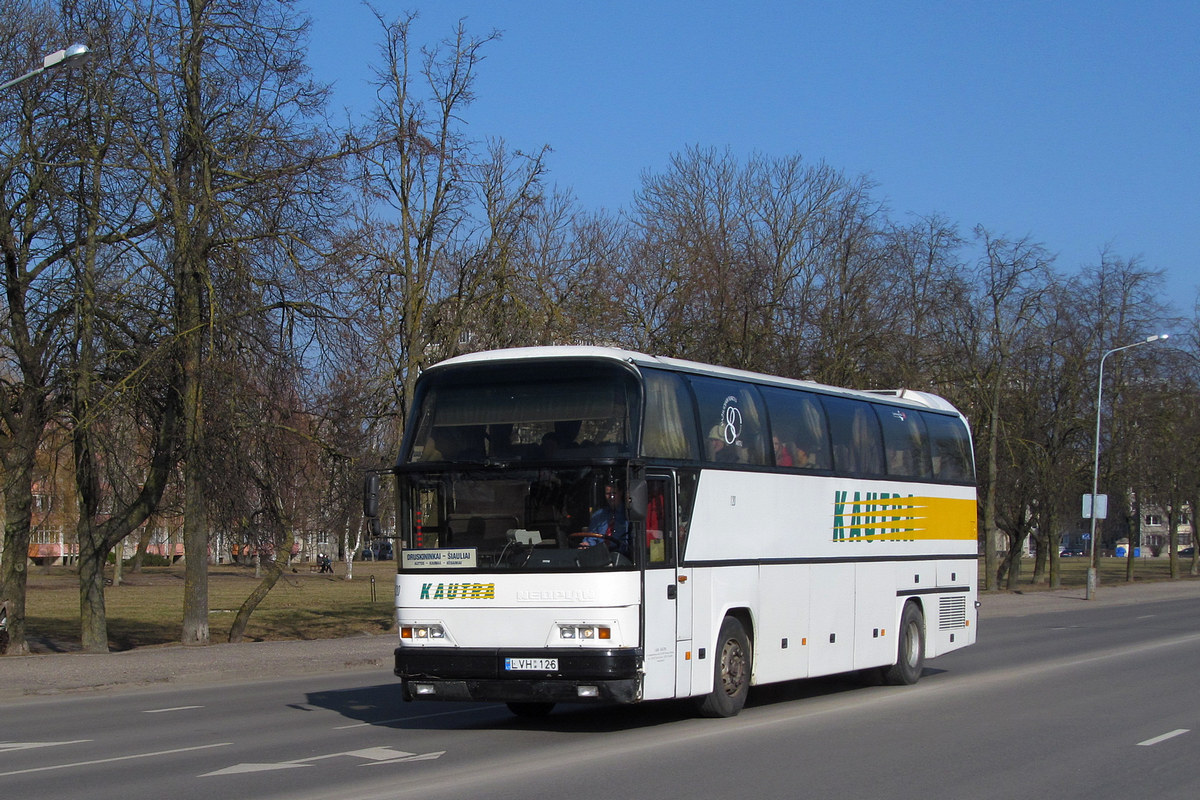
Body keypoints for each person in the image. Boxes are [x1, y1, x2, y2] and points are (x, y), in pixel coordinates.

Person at [576, 483, 630, 555]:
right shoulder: (598, 515)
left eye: (614, 493)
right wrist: (586, 544)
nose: (611, 497)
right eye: (608, 493)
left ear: (621, 493)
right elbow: (591, 538)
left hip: (622, 557)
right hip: (599, 556)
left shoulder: (628, 515)